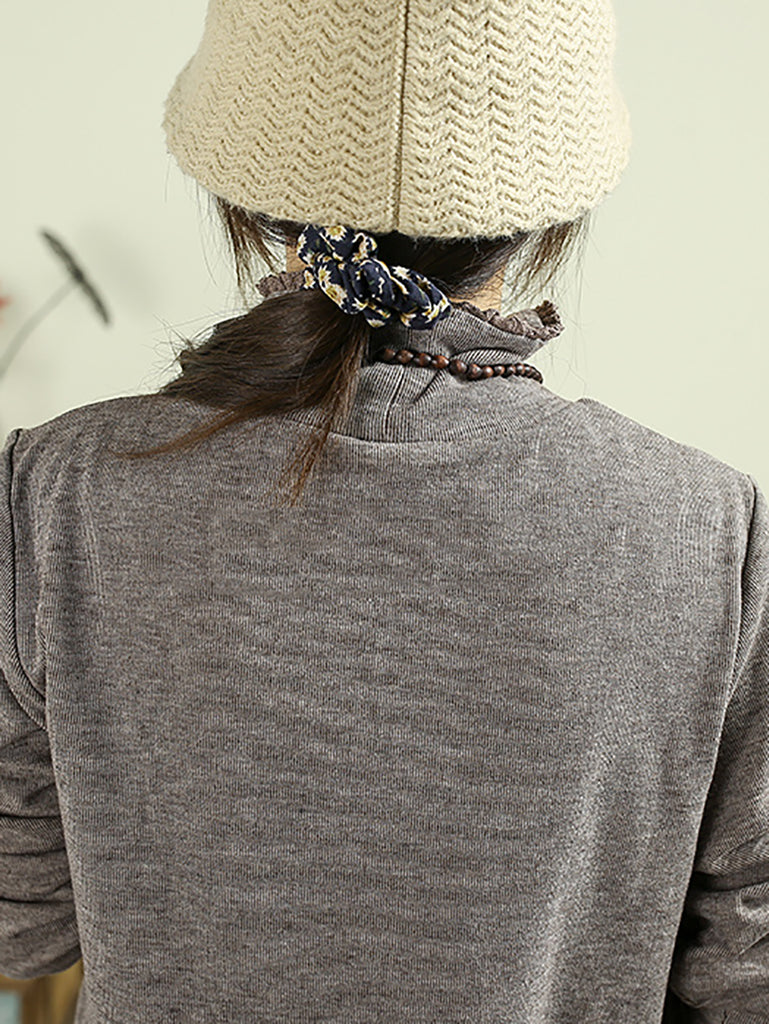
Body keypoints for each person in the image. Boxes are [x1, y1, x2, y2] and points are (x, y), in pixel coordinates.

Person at [0, 0, 767, 1021]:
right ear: (551, 214)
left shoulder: (55, 491)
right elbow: (744, 976)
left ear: (242, 196)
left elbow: (22, 927)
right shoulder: (706, 528)